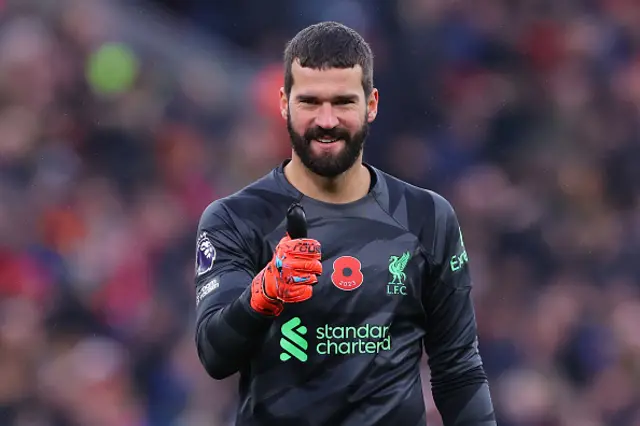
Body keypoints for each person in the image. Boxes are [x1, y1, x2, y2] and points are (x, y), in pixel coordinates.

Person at [194, 21, 497, 426]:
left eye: (342, 102)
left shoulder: (427, 217)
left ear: (371, 104)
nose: (326, 120)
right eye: (310, 102)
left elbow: (458, 367)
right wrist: (262, 296)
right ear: (284, 103)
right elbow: (214, 354)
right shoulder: (235, 218)